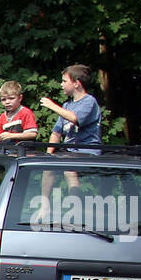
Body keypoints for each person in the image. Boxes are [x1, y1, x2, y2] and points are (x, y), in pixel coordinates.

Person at [37, 64, 101, 209]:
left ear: (77, 83)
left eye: (64, 81)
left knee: (69, 169)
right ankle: (44, 206)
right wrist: (48, 155)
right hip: (70, 152)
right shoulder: (67, 105)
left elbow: (75, 118)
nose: (61, 84)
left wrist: (52, 106)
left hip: (87, 150)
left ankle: (75, 207)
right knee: (49, 167)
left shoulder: (89, 101)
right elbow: (56, 132)